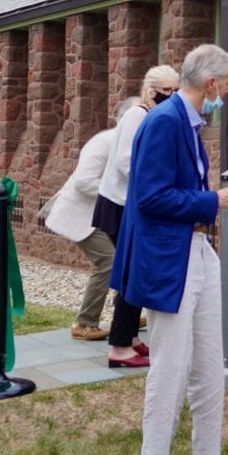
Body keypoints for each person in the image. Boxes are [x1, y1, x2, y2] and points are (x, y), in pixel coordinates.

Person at [111, 43, 228, 455]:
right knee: (170, 363)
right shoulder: (164, 121)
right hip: (169, 256)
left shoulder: (187, 122)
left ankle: (206, 452)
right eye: (227, 85)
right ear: (211, 82)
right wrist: (215, 200)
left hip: (195, 249)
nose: (227, 94)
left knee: (210, 358)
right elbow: (150, 198)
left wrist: (207, 205)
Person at [94, 65, 179, 367]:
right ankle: (119, 347)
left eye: (175, 90)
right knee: (133, 275)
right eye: (166, 90)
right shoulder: (137, 115)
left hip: (131, 203)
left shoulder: (149, 115)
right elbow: (125, 162)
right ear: (152, 88)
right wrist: (156, 187)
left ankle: (128, 337)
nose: (171, 96)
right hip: (120, 204)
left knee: (134, 273)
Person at [44, 96, 137, 340]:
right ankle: (85, 323)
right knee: (109, 262)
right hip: (85, 215)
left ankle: (126, 316)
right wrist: (123, 194)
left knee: (128, 260)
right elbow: (85, 182)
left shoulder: (128, 143)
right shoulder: (104, 142)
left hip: (108, 215)